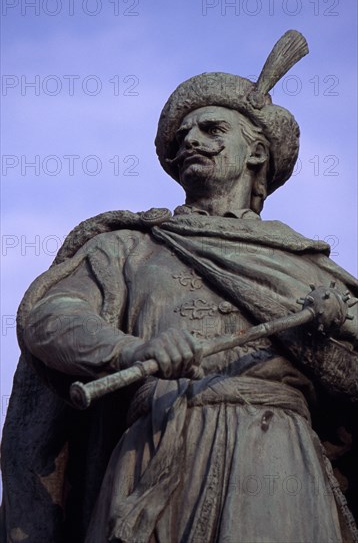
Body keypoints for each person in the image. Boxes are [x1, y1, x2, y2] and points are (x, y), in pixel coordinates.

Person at [2, 31, 358, 543]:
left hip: (279, 461)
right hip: (155, 451)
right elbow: (51, 318)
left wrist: (336, 326)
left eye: (211, 128)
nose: (190, 140)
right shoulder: (130, 246)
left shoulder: (313, 270)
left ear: (256, 151)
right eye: (182, 135)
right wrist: (129, 349)